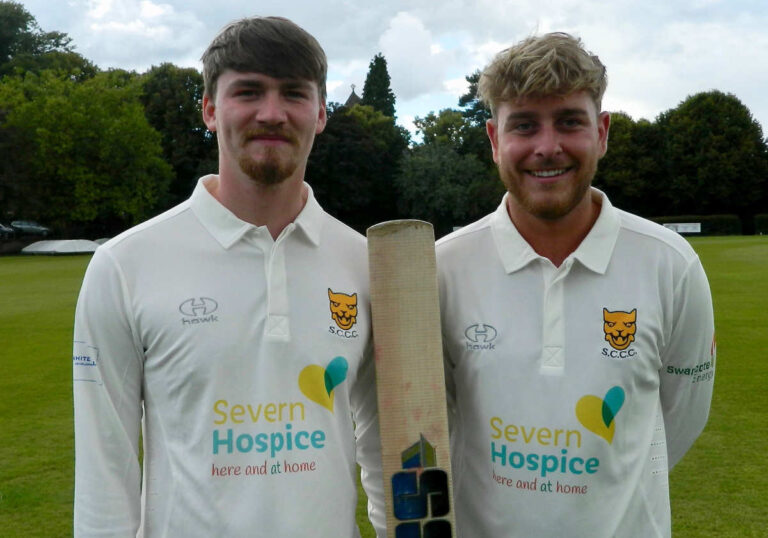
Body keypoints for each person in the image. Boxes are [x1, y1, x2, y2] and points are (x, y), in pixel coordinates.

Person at [73, 16, 383, 537]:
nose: (271, 113)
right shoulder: (125, 265)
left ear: (321, 113)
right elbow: (106, 468)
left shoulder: (366, 264)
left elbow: (384, 444)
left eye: (293, 94)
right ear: (211, 110)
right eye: (248, 91)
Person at [436, 32, 715, 537]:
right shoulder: (442, 269)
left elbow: (681, 417)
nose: (548, 147)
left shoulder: (671, 264)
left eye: (569, 121)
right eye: (524, 125)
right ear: (495, 140)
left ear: (602, 132)